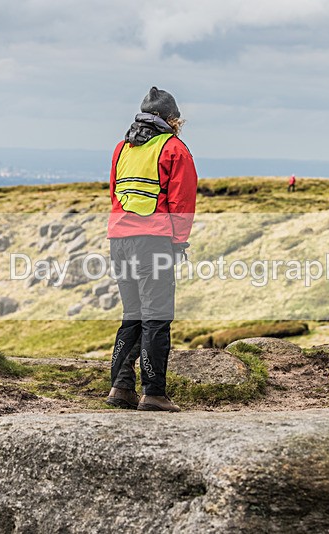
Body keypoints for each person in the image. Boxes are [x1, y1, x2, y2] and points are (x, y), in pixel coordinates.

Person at [106, 86, 198, 412]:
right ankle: (154, 392)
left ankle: (120, 387)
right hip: (153, 241)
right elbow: (182, 204)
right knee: (156, 318)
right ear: (171, 119)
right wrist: (178, 243)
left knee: (132, 315)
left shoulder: (122, 148)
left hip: (119, 241)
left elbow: (116, 195)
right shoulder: (174, 149)